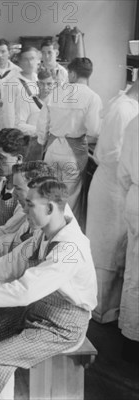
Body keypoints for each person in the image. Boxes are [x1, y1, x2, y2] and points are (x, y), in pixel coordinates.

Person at [0, 176, 97, 400]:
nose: (24, 211)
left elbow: (27, 289)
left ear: (51, 207)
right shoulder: (45, 233)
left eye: (29, 205)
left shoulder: (70, 249)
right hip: (39, 311)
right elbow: (11, 262)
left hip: (64, 326)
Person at [86, 81, 138, 323]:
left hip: (118, 182)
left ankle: (111, 309)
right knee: (108, 248)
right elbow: (115, 153)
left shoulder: (125, 105)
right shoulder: (125, 109)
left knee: (116, 247)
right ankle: (103, 309)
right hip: (114, 184)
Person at [36, 57, 103, 229]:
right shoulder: (92, 97)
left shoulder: (56, 93)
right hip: (73, 154)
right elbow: (95, 129)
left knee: (48, 194)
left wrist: (43, 141)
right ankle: (65, 239)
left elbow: (42, 124)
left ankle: (43, 235)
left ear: (72, 73)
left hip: (51, 150)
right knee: (69, 198)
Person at [118, 115, 139, 361]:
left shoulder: (134, 121)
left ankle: (130, 338)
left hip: (135, 196)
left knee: (134, 273)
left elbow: (123, 172)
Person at [14, 68, 56, 161]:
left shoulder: (59, 104)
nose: (45, 88)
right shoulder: (27, 101)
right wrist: (40, 131)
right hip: (31, 145)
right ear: (37, 84)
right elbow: (18, 125)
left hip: (52, 147)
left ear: (54, 84)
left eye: (49, 84)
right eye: (42, 84)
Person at [1, 46, 40, 129]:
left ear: (38, 60)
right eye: (26, 59)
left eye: (32, 58)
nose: (30, 63)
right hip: (21, 132)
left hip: (39, 131)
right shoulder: (12, 83)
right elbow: (8, 113)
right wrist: (11, 133)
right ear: (20, 62)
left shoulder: (39, 80)